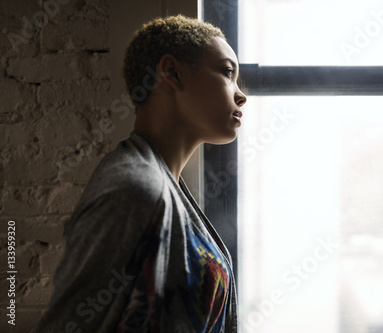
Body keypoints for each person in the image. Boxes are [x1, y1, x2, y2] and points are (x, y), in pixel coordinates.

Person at [36, 15, 247, 333]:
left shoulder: (165, 184)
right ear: (172, 73)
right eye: (228, 72)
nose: (240, 95)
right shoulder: (135, 190)